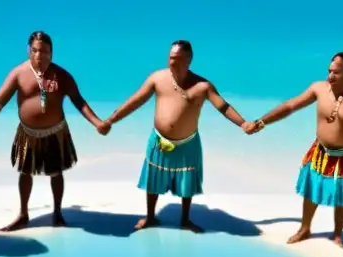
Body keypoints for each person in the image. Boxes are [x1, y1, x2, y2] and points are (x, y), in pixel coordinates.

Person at [244, 52, 343, 248]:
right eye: (329, 71)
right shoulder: (319, 88)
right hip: (320, 150)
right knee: (311, 189)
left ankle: (338, 235)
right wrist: (262, 121)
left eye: (337, 72)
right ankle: (305, 228)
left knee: (342, 195)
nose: (330, 76)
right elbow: (290, 106)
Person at [105, 40, 250, 233]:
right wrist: (112, 119)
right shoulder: (157, 78)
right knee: (153, 180)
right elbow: (135, 100)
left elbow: (223, 107)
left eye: (177, 59)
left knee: (186, 182)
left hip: (188, 143)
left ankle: (185, 219)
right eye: (170, 58)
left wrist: (243, 123)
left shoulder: (202, 86)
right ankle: (150, 217)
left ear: (188, 60)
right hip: (159, 140)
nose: (171, 62)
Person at [0, 32, 108, 232]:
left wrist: (97, 122)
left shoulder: (62, 75)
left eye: (44, 51)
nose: (39, 55)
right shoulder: (18, 73)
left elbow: (79, 101)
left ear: (51, 53)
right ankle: (23, 214)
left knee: (56, 172)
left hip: (55, 132)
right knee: (25, 172)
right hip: (28, 133)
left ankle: (58, 212)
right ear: (29, 51)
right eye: (34, 50)